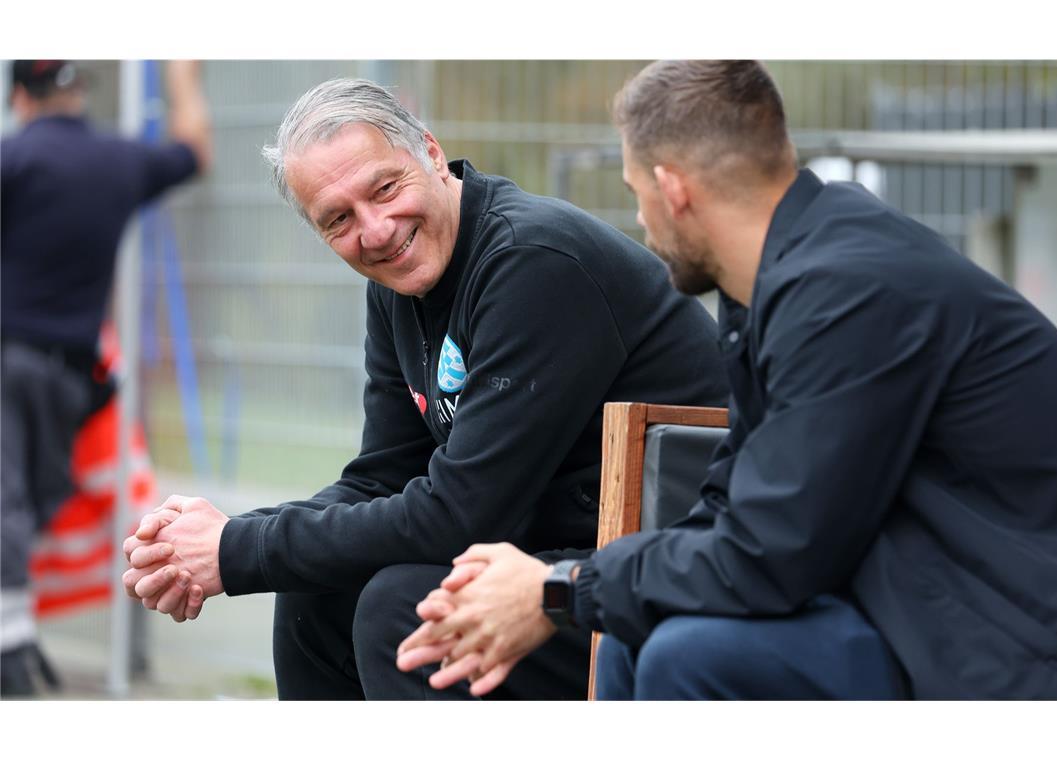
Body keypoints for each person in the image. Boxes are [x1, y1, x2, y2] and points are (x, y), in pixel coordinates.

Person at [396, 59, 1057, 700]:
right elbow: (731, 507)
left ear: (672, 188)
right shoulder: (782, 282)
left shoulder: (850, 292)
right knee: (635, 634)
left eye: (634, 194)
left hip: (1046, 646)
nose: (641, 221)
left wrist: (559, 591)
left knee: (693, 658)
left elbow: (772, 553)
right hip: (929, 599)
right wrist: (561, 583)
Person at [119, 77, 728, 700]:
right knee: (319, 592)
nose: (376, 231)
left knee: (403, 609)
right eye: (338, 220)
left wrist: (235, 549)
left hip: (659, 581)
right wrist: (222, 538)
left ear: (432, 155)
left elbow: (461, 515)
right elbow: (381, 477)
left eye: (385, 189)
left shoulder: (531, 261)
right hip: (549, 552)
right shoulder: (398, 286)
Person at [1, 59, 212, 697]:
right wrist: (181, 77)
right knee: (32, 499)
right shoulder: (118, 161)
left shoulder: (13, 160)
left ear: (20, 96)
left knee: (10, 502)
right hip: (70, 377)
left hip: (6, 361)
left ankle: (10, 646)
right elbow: (193, 150)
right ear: (79, 91)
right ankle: (12, 637)